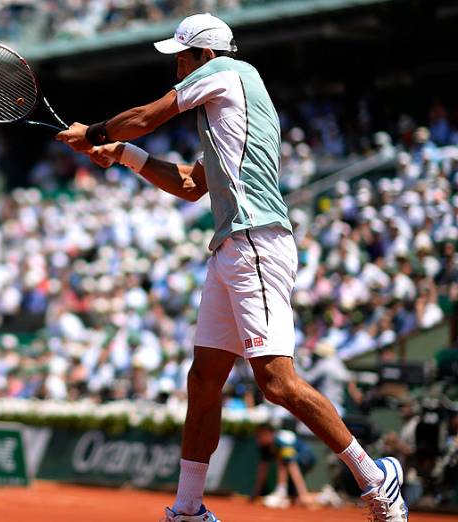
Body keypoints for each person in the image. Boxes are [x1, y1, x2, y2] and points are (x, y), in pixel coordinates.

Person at [56, 12, 407, 522]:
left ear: (205, 56)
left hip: (256, 241)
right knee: (203, 381)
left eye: (181, 55)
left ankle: (376, 479)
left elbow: (149, 114)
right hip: (230, 247)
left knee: (277, 383)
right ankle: (188, 509)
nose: (176, 64)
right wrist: (126, 153)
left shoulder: (229, 74)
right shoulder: (225, 109)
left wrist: (93, 131)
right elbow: (192, 185)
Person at [251, 423, 316, 508]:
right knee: (293, 499)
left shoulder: (282, 443)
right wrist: (255, 494)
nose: (258, 440)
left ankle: (309, 497)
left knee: (283, 462)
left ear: (268, 434)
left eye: (259, 436)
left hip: (306, 458)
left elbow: (292, 466)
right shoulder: (264, 446)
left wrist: (303, 494)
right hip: (293, 462)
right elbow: (262, 470)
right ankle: (285, 493)